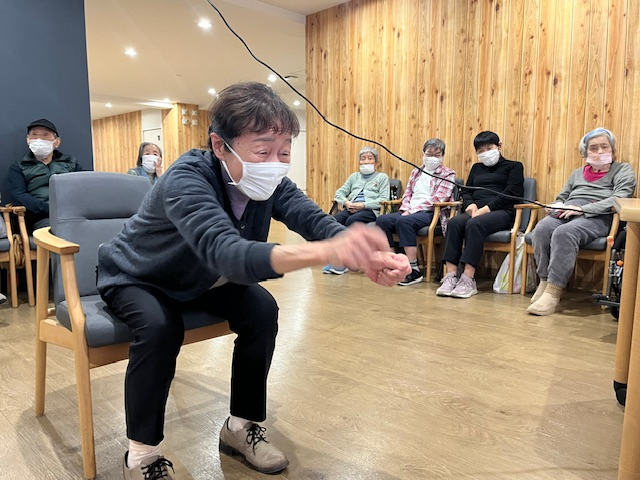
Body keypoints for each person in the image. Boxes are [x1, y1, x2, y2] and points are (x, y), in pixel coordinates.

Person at [96, 82, 410, 480]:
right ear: (220, 145)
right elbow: (227, 253)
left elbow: (313, 219)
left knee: (262, 310)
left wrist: (367, 254)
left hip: (200, 279)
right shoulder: (186, 179)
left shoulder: (269, 184)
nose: (275, 164)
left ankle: (240, 426)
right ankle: (142, 454)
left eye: (284, 152)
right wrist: (331, 253)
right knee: (160, 327)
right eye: (262, 151)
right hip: (140, 275)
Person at [527, 128, 636, 316]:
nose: (599, 151)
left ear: (613, 150)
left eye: (604, 147)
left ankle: (553, 291)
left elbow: (620, 198)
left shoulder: (623, 170)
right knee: (542, 229)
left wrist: (583, 209)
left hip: (599, 216)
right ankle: (544, 281)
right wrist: (555, 205)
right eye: (593, 148)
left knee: (565, 233)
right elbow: (563, 196)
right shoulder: (577, 173)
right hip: (568, 211)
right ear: (585, 154)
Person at [436, 131, 524, 298]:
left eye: (489, 148)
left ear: (499, 146)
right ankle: (450, 276)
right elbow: (466, 191)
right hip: (476, 210)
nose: (485, 153)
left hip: (502, 211)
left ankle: (468, 279)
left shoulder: (514, 166)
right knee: (454, 223)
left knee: (474, 224)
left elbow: (513, 193)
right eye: (480, 151)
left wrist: (486, 209)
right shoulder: (476, 168)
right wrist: (470, 205)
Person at [375, 138, 456, 286]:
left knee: (404, 221)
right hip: (410, 211)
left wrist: (412, 211)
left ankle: (413, 270)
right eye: (429, 154)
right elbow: (407, 194)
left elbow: (439, 198)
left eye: (437, 155)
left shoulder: (448, 174)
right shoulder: (416, 172)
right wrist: (406, 209)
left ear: (442, 156)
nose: (432, 158)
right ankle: (394, 263)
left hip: (431, 212)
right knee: (382, 220)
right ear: (423, 154)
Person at [323, 146, 390, 274]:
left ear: (376, 162)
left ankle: (345, 261)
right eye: (363, 159)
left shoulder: (382, 177)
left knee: (351, 221)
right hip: (351, 207)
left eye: (370, 158)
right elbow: (339, 193)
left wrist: (363, 205)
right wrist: (346, 203)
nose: (366, 161)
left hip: (370, 210)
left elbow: (383, 199)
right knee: (335, 221)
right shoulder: (354, 177)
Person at [7, 119, 81, 230]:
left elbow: (81, 189)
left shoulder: (71, 163)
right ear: (28, 140)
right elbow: (19, 196)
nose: (39, 139)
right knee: (62, 230)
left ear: (56, 142)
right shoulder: (19, 166)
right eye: (34, 135)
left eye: (45, 135)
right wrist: (47, 208)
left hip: (72, 214)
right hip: (41, 217)